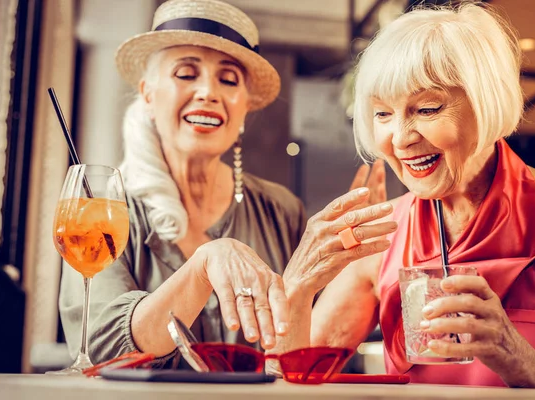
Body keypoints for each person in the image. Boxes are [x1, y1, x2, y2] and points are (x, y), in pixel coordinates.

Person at [272, 2, 535, 398]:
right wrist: (297, 288)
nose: (400, 138)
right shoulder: (380, 236)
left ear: (485, 102)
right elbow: (289, 384)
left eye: (427, 108)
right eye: (383, 114)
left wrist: (517, 358)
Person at [58, 0, 393, 369]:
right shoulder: (104, 212)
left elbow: (302, 355)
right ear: (149, 94)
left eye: (229, 79)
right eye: (186, 73)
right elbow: (103, 349)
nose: (208, 92)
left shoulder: (280, 209)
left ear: (245, 106)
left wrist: (348, 266)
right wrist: (205, 262)